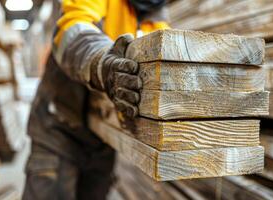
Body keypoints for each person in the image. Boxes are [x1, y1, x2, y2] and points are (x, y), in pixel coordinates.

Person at [22, 0, 169, 199]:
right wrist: (102, 64)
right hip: (58, 128)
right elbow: (72, 29)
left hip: (101, 139)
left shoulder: (155, 14)